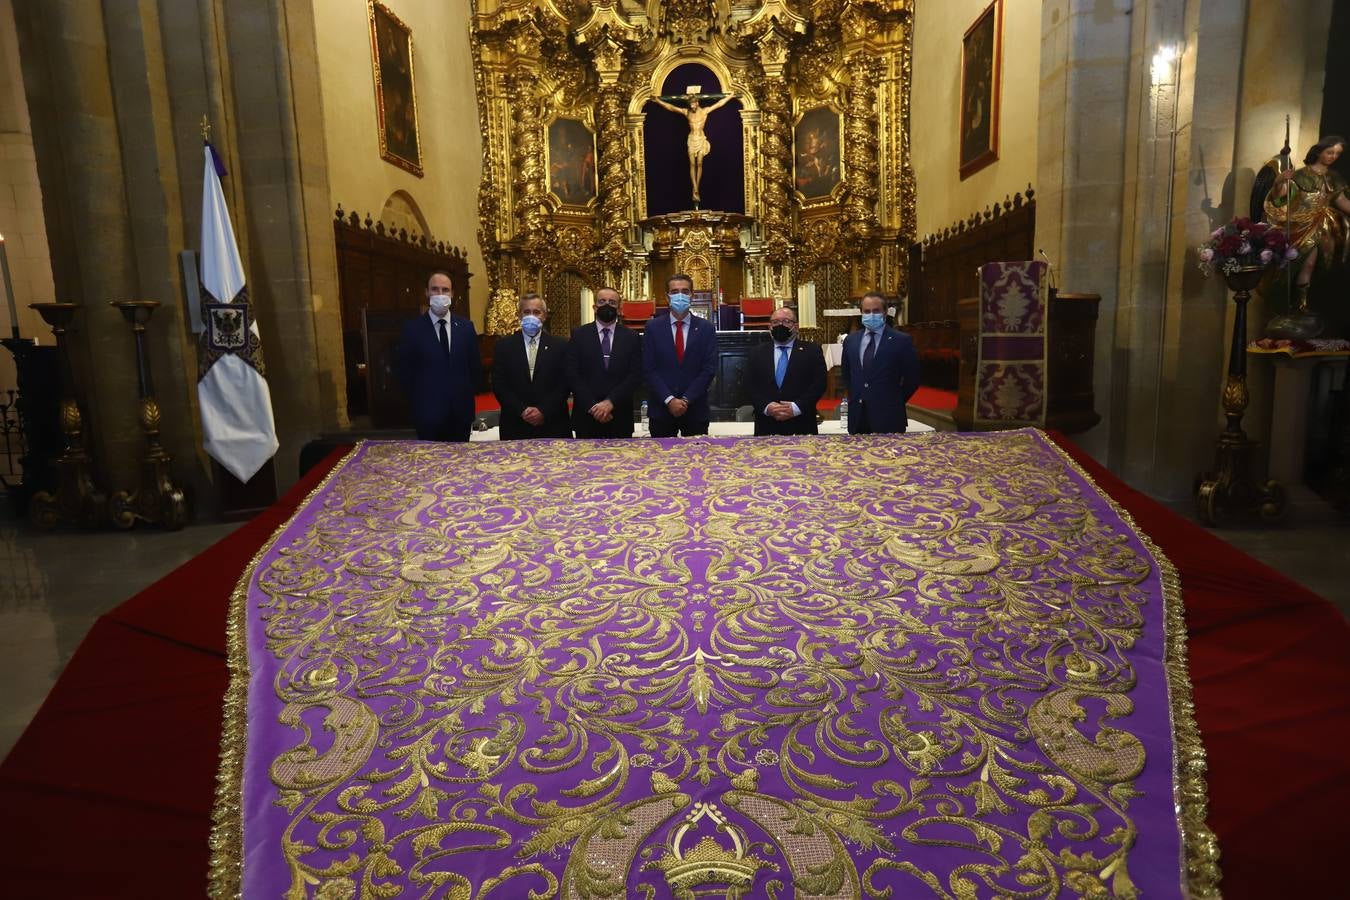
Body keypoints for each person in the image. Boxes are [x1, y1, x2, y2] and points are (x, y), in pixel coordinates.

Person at [1265, 135, 1350, 309]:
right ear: (1319, 151)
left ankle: (1304, 303)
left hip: (1326, 226)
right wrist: (1279, 182)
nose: (1333, 157)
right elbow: (1281, 200)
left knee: (1321, 265)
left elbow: (1342, 202)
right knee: (1303, 264)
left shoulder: (1334, 177)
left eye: (1337, 154)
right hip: (1301, 224)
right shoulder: (1299, 175)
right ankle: (1296, 304)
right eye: (1329, 152)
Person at [396, 271, 480, 442]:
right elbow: (405, 373)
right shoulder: (412, 330)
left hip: (460, 416)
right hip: (427, 416)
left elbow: (475, 369)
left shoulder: (466, 327)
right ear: (426, 292)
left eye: (445, 290)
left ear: (452, 294)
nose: (440, 295)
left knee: (462, 466)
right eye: (435, 289)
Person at [643, 272, 719, 438]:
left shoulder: (706, 328)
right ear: (667, 297)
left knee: (696, 461)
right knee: (659, 461)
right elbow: (648, 369)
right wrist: (669, 399)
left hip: (695, 409)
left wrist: (685, 400)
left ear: (692, 295)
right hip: (661, 410)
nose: (680, 296)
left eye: (685, 292)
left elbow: (709, 369)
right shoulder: (652, 328)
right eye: (675, 291)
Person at [492, 293, 572, 440]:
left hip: (553, 423)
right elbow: (499, 384)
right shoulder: (504, 346)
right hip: (515, 423)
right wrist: (522, 411)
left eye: (536, 312)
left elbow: (565, 384)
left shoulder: (560, 346)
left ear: (545, 316)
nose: (531, 316)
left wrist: (543, 411)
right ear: (519, 315)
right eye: (527, 312)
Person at [566, 287, 643, 438]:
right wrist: (593, 406)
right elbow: (572, 374)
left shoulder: (632, 337)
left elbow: (635, 375)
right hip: (586, 415)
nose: (607, 305)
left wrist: (610, 402)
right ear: (594, 307)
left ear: (619, 309)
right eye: (602, 301)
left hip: (619, 414)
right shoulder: (579, 334)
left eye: (612, 302)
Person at [839, 291, 920, 434]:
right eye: (867, 311)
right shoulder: (851, 341)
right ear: (861, 313)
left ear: (885, 312)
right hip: (858, 417)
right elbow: (846, 374)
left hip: (889, 416)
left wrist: (894, 400)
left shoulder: (902, 340)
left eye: (876, 311)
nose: (871, 315)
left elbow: (912, 378)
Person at [747, 306, 826, 436]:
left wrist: (796, 408)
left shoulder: (812, 351)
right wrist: (767, 407)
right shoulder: (756, 352)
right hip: (766, 425)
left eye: (786, 321)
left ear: (796, 326)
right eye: (775, 322)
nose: (780, 325)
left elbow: (819, 384)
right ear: (769, 326)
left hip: (802, 423)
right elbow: (749, 385)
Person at [650, 92, 735, 202]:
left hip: (700, 139)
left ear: (697, 103)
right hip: (691, 139)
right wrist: (658, 101)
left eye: (694, 105)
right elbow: (671, 107)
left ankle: (696, 188)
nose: (692, 107)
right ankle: (694, 188)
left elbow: (719, 104)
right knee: (692, 164)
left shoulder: (704, 111)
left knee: (699, 163)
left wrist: (730, 96)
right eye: (690, 105)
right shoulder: (687, 112)